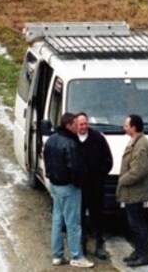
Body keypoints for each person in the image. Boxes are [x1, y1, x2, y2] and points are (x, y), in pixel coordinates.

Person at [43, 113, 95, 268]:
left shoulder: (51, 140)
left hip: (55, 185)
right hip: (69, 187)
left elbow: (46, 160)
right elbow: (74, 168)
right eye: (74, 124)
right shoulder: (70, 143)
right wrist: (80, 183)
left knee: (57, 220)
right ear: (69, 125)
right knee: (73, 223)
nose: (77, 126)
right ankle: (76, 255)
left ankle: (57, 255)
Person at [76, 112, 113, 260]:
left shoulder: (98, 138)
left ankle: (99, 245)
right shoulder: (72, 139)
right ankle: (82, 245)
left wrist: (100, 176)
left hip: (96, 187)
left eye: (85, 124)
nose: (84, 127)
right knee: (80, 217)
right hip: (79, 188)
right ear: (76, 125)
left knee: (97, 217)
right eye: (81, 125)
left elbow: (108, 160)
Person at [117, 114, 148, 268]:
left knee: (138, 224)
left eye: (126, 125)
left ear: (134, 127)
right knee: (134, 223)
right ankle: (138, 252)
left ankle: (143, 255)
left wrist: (122, 180)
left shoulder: (141, 145)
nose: (124, 127)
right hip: (133, 191)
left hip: (136, 192)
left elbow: (140, 170)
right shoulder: (135, 141)